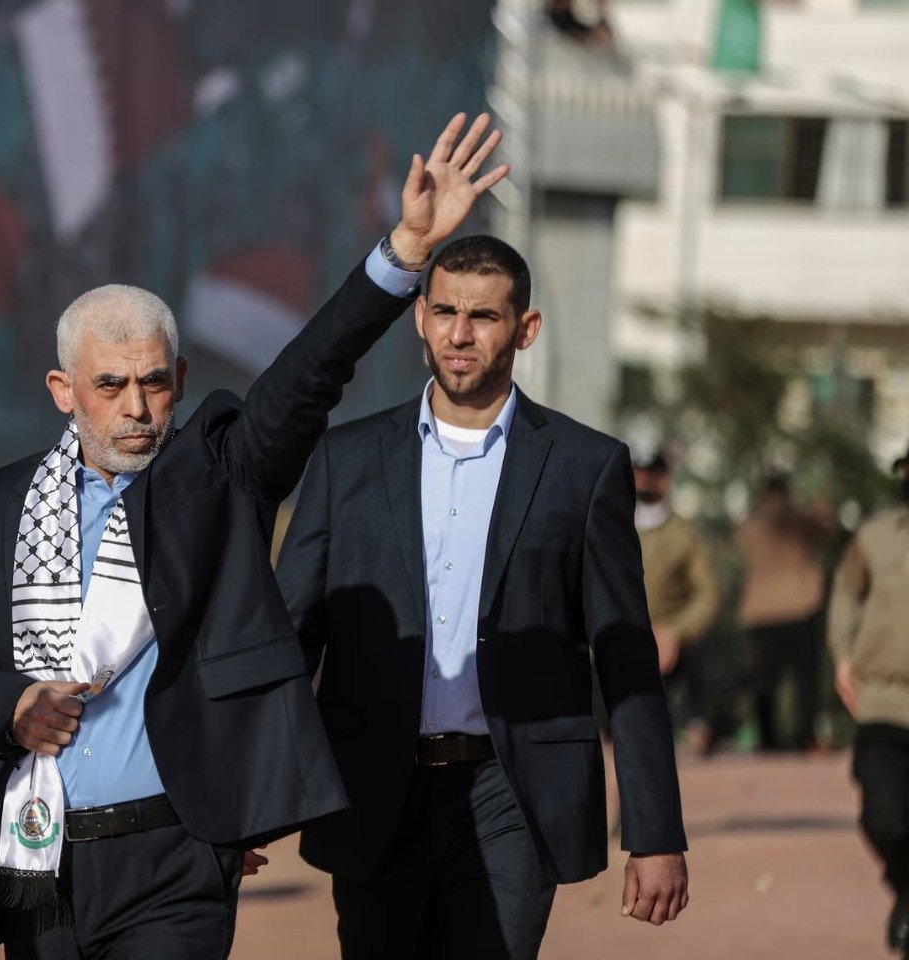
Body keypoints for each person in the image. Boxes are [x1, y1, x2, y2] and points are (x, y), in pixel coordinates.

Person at [0, 113, 508, 960]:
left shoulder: (220, 478)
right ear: (62, 390)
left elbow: (310, 374)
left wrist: (404, 252)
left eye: (155, 382)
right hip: (38, 855)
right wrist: (8, 704)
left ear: (182, 379)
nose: (137, 406)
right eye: (110, 384)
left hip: (177, 858)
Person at [276, 234, 689, 959]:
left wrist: (654, 834)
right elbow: (290, 636)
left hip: (515, 795)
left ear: (524, 328)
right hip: (373, 789)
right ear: (420, 320)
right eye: (444, 312)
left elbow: (625, 657)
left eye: (484, 317)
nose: (459, 334)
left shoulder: (585, 467)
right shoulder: (346, 459)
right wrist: (253, 801)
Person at [827, 442, 909, 957]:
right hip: (884, 701)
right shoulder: (876, 538)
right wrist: (842, 655)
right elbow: (846, 591)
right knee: (884, 819)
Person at [634, 447, 720, 753]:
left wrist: (676, 631)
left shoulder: (684, 535)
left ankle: (694, 724)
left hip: (671, 645)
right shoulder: (611, 525)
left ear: (664, 480)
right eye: (638, 472)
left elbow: (707, 594)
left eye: (651, 474)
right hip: (618, 640)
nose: (643, 481)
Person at [736, 475, 830, 751]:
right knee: (805, 678)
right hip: (800, 606)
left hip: (761, 611)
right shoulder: (798, 520)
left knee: (764, 679)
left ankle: (767, 737)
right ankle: (804, 735)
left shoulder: (751, 524)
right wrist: (822, 512)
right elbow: (829, 532)